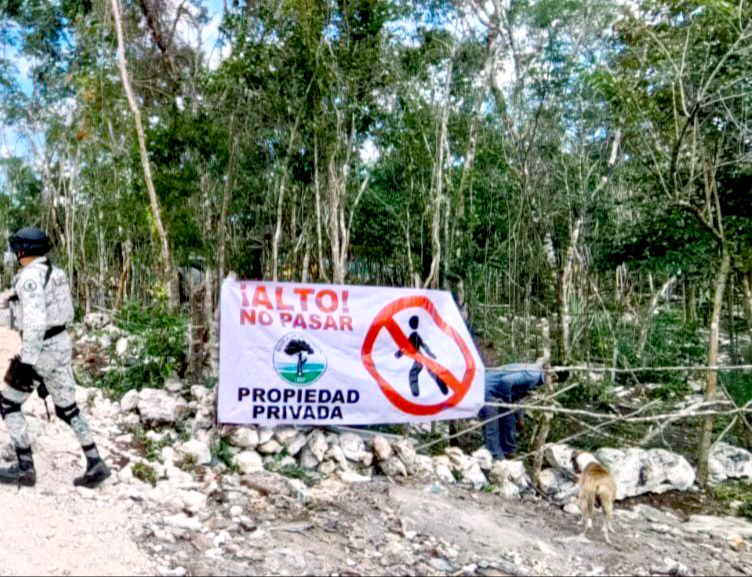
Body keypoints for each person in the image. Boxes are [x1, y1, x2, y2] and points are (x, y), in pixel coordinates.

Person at [0, 227, 110, 488]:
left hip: (41, 348)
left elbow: (36, 322)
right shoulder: (55, 272)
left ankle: (25, 468)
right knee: (67, 408)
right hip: (60, 344)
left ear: (22, 250)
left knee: (8, 403)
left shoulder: (29, 278)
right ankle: (95, 461)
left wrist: (28, 363)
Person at [479, 362, 569, 460]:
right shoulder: (534, 375)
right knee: (493, 425)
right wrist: (506, 402)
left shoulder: (536, 372)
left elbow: (517, 395)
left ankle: (508, 450)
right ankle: (497, 458)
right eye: (553, 381)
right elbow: (506, 381)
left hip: (494, 389)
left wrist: (518, 416)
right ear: (553, 377)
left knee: (508, 420)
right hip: (487, 389)